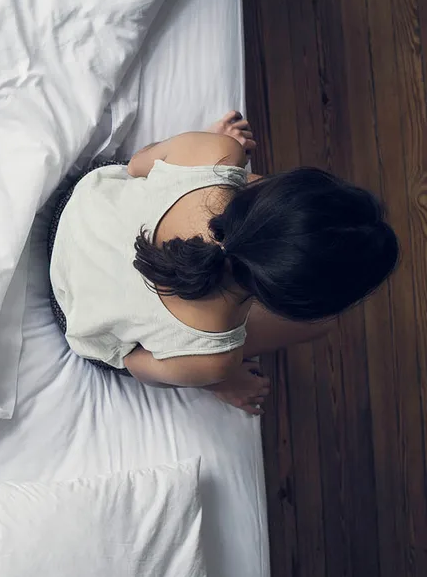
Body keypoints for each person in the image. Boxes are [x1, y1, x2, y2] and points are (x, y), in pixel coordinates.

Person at [48, 111, 399, 414]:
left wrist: (207, 163)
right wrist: (216, 379)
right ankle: (214, 381)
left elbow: (138, 165)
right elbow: (136, 364)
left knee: (248, 200)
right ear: (285, 301)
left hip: (77, 211)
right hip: (74, 311)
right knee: (319, 325)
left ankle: (250, 198)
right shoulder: (218, 357)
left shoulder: (218, 152)